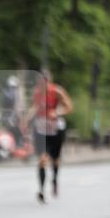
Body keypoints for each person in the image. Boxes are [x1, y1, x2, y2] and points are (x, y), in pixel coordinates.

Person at [28, 70, 74, 202]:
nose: (41, 85)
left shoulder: (57, 91)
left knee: (55, 159)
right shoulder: (37, 93)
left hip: (56, 129)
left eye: (44, 82)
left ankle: (54, 180)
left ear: (48, 81)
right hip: (41, 129)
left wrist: (57, 112)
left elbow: (69, 107)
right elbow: (34, 107)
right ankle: (41, 190)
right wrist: (26, 119)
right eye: (39, 82)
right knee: (42, 159)